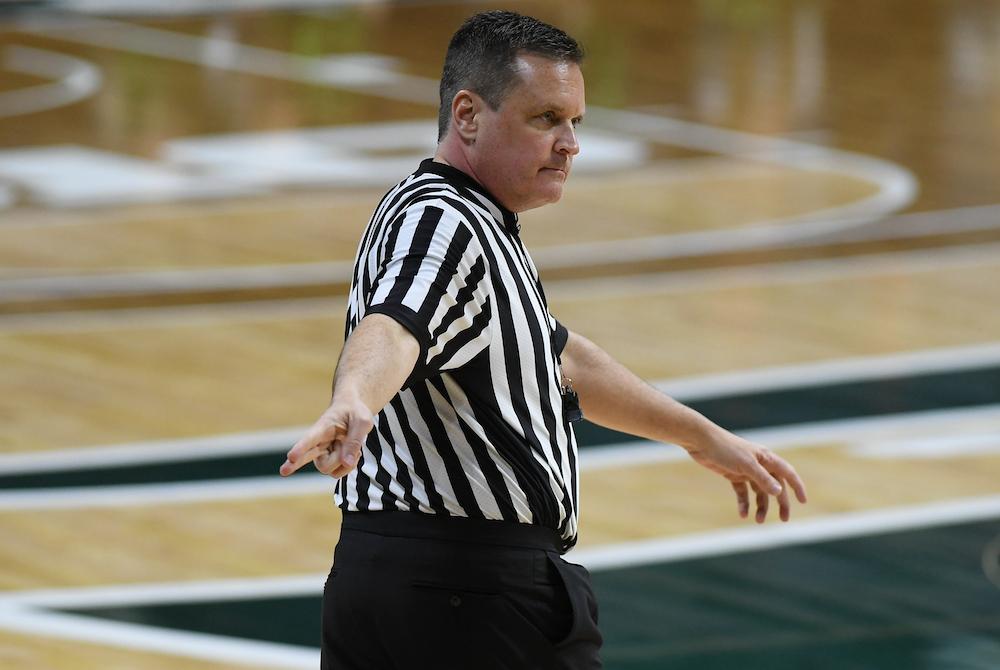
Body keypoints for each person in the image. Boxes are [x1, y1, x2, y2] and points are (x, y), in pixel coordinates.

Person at [279, 10, 807, 670]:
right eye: (545, 119)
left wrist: (701, 436)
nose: (570, 144)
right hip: (469, 594)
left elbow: (564, 360)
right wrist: (355, 396)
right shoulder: (447, 224)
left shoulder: (460, 217)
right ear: (467, 116)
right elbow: (394, 324)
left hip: (397, 580)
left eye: (575, 123)